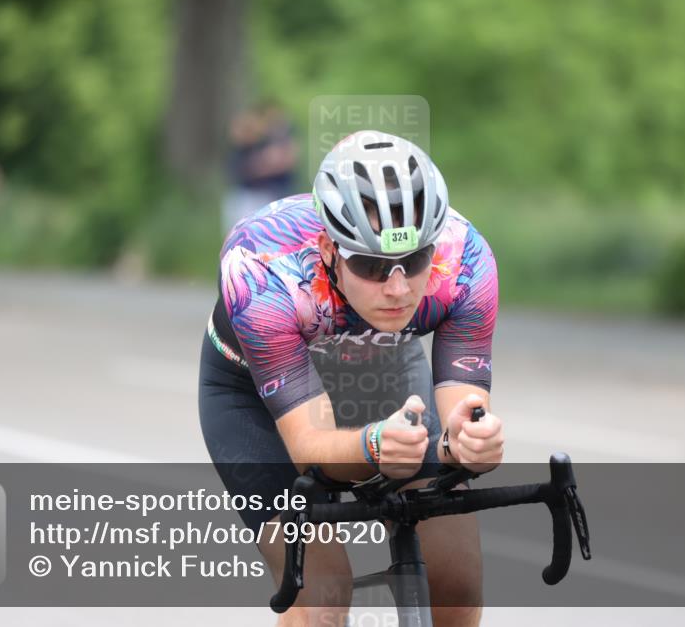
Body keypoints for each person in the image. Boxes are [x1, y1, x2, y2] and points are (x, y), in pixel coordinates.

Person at [199, 130, 502, 626]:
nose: (398, 287)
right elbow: (311, 449)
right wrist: (374, 447)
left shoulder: (465, 261)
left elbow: (460, 411)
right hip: (256, 396)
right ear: (328, 250)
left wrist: (470, 438)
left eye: (414, 260)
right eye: (371, 265)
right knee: (322, 592)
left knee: (457, 583)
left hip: (385, 375)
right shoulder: (260, 271)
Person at [221, 102, 298, 233]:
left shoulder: (273, 140)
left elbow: (285, 160)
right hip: (247, 197)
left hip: (270, 196)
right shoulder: (244, 148)